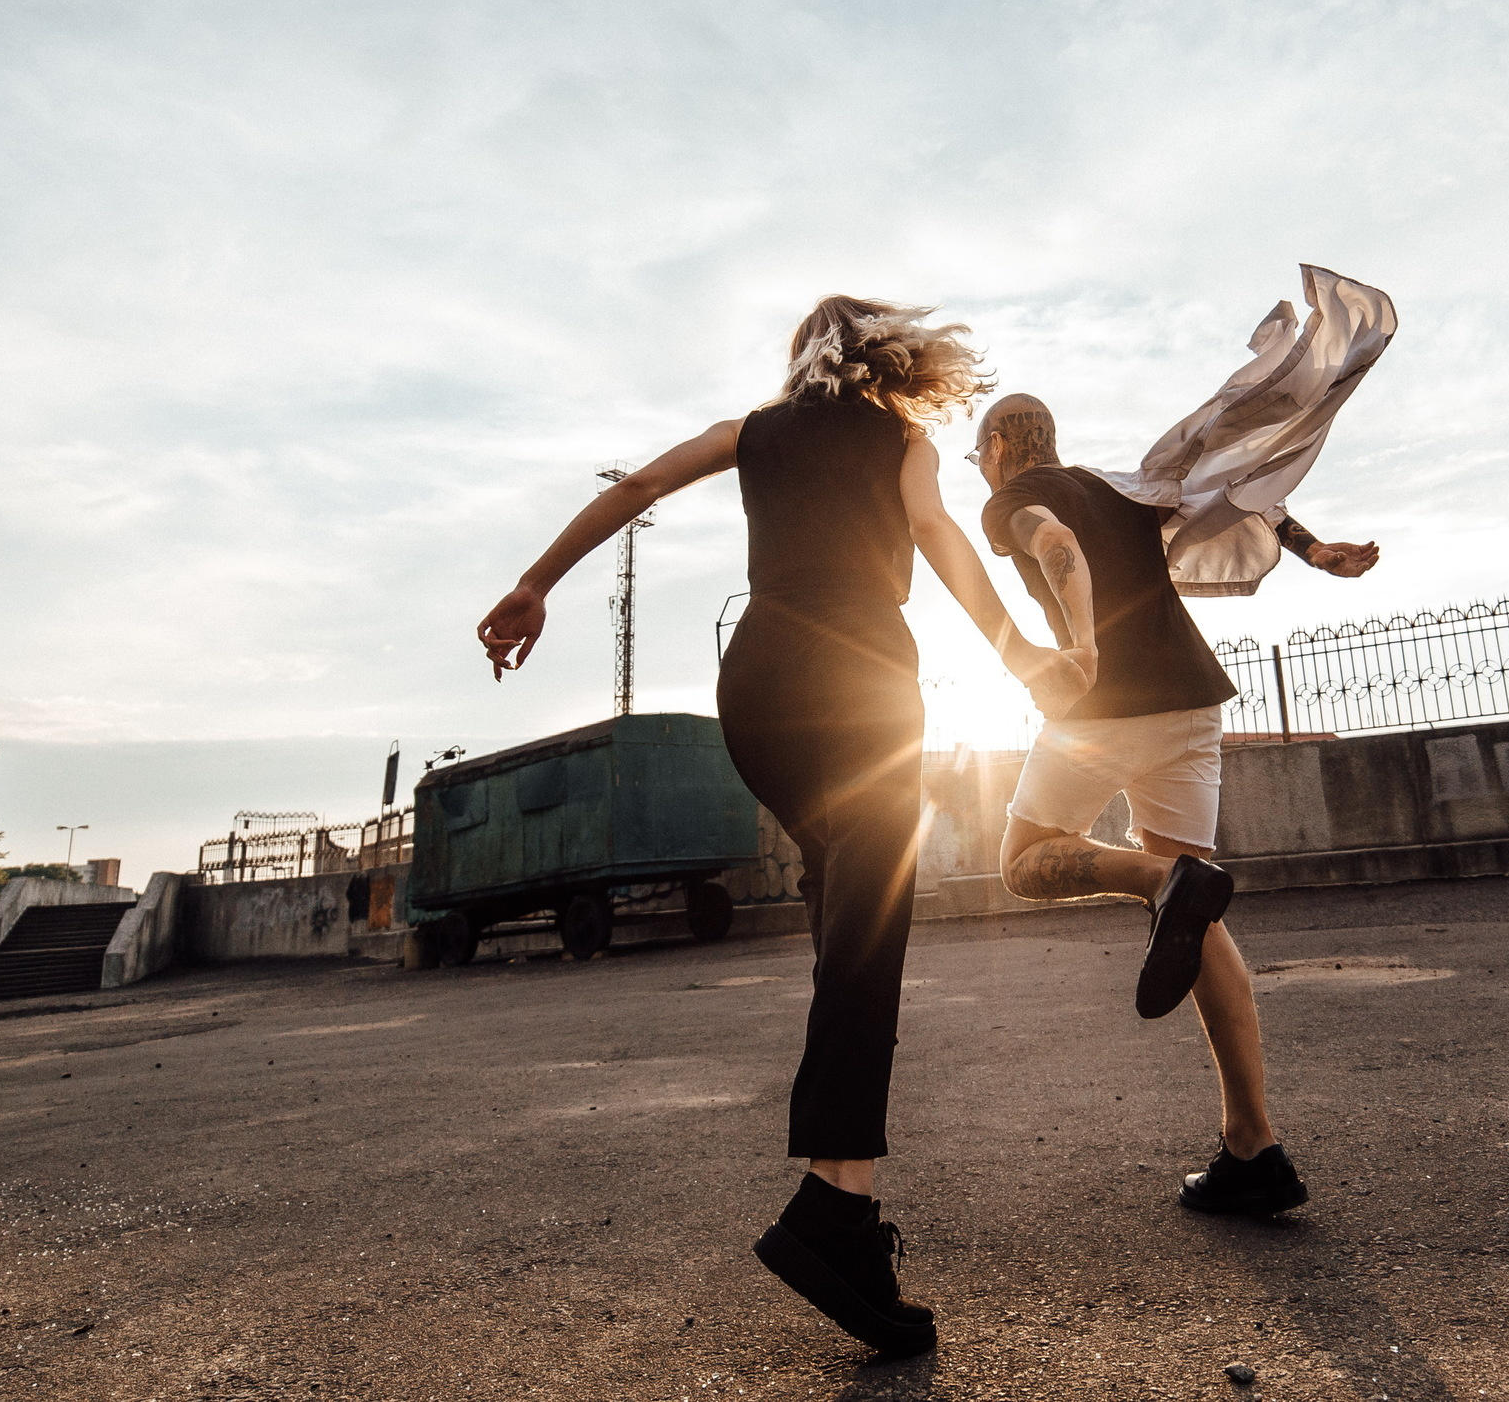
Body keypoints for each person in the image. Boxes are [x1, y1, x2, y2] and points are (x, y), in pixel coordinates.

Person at [477, 297, 1091, 1356]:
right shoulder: (900, 439)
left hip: (757, 689)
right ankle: (835, 1206)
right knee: (867, 934)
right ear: (884, 365)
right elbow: (940, 539)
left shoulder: (750, 432)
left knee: (840, 909)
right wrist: (1023, 657)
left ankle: (840, 1198)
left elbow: (638, 487)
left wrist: (536, 583)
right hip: (860, 683)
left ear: (801, 361)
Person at [971, 388, 1380, 1218]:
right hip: (1192, 702)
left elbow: (1053, 544)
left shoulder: (1010, 498)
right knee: (1200, 915)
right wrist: (1313, 551)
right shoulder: (1124, 485)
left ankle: (1162, 881)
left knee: (1021, 861)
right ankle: (1252, 1145)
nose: (979, 468)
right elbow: (1231, 488)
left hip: (1103, 705)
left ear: (1000, 449)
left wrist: (1081, 641)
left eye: (978, 455)